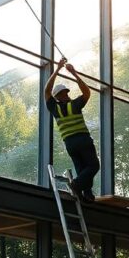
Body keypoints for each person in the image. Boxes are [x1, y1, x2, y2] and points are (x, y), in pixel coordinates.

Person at [45, 58, 99, 202]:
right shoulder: (74, 105)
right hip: (82, 139)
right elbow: (87, 92)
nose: (67, 95)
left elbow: (47, 91)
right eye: (65, 93)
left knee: (82, 169)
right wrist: (74, 73)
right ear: (60, 96)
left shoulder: (54, 109)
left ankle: (86, 195)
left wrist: (57, 69)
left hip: (70, 144)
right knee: (93, 165)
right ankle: (75, 185)